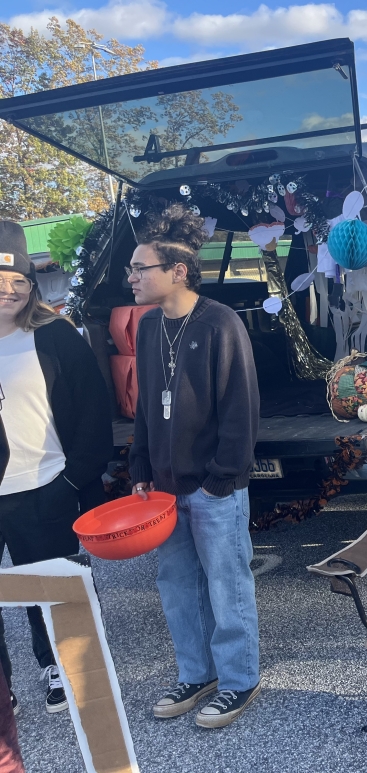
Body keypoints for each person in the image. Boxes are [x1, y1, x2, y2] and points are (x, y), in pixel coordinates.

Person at [127, 204, 262, 729]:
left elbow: (240, 406)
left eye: (142, 269)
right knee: (178, 585)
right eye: (132, 270)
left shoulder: (220, 323)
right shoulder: (146, 328)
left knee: (227, 586)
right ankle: (196, 672)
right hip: (162, 487)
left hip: (214, 487)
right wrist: (140, 462)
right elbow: (144, 405)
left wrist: (221, 478)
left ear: (178, 271)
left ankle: (239, 680)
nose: (133, 277)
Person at [0, 220, 112, 714]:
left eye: (18, 281)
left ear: (31, 285)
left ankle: (59, 666)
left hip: (45, 484)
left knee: (53, 584)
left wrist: (74, 479)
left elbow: (92, 410)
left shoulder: (56, 337)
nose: (9, 290)